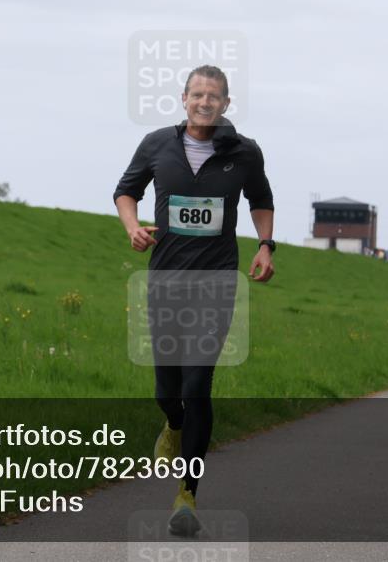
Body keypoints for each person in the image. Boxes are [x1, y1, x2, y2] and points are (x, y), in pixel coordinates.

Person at [113, 65, 275, 536]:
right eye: (197, 94)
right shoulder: (156, 145)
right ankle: (172, 425)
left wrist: (265, 244)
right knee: (168, 392)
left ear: (226, 104)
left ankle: (187, 494)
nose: (205, 101)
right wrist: (133, 227)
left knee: (197, 384)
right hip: (164, 280)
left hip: (216, 282)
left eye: (215, 96)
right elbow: (126, 191)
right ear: (183, 99)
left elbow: (261, 199)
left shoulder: (245, 152)